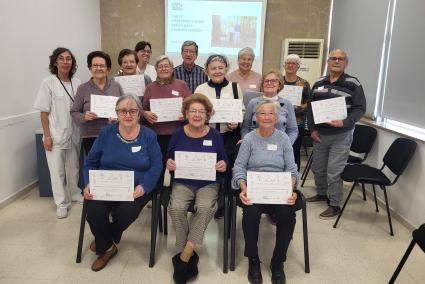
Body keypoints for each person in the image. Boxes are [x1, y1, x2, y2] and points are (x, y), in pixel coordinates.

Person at [82, 94, 162, 271]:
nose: (127, 115)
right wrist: (88, 183)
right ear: (116, 113)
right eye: (123, 111)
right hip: (106, 183)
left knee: (127, 211)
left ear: (139, 113)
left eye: (132, 110)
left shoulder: (149, 135)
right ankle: (108, 246)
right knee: (93, 210)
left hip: (137, 186)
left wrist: (143, 187)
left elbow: (157, 166)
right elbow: (90, 162)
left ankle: (104, 240)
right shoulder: (105, 133)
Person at [232, 100, 298, 284]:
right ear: (256, 117)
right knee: (251, 213)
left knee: (287, 214)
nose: (267, 117)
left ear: (276, 118)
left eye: (271, 114)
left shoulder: (283, 139)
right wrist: (244, 189)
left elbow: (292, 169)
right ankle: (253, 259)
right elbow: (238, 167)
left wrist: (290, 190)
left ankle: (278, 262)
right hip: (254, 188)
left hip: (280, 188)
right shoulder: (249, 139)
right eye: (262, 113)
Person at [165, 94, 228, 283]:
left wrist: (223, 164)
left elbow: (224, 158)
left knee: (206, 207)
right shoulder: (177, 134)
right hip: (183, 181)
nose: (197, 115)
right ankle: (187, 248)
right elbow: (168, 157)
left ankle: (186, 251)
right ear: (186, 113)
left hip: (208, 182)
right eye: (193, 111)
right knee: (175, 207)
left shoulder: (215, 135)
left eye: (202, 111)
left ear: (207, 115)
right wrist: (169, 163)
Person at [306, 49, 366, 219]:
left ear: (346, 62)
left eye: (341, 59)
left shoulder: (353, 83)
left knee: (334, 170)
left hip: (341, 135)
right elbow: (310, 108)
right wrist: (312, 129)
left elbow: (360, 108)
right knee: (318, 168)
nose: (337, 61)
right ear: (328, 62)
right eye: (333, 58)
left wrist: (345, 122)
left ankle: (334, 204)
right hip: (320, 135)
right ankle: (322, 193)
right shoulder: (318, 83)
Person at [33, 47, 83, 219]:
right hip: (55, 134)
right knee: (57, 170)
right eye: (61, 58)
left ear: (72, 62)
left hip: (75, 133)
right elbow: (43, 112)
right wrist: (47, 136)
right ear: (55, 62)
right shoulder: (48, 82)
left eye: (68, 58)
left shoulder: (77, 82)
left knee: (73, 166)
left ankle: (75, 192)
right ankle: (61, 203)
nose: (65, 62)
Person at [194, 54, 243, 219]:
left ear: (226, 69)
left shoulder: (235, 88)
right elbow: (195, 111)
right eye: (213, 68)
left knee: (226, 170)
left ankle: (224, 202)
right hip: (206, 135)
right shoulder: (200, 89)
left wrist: (236, 120)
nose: (217, 71)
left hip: (228, 135)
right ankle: (204, 202)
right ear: (207, 70)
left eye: (220, 68)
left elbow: (240, 109)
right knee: (208, 169)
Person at [142, 55, 191, 192]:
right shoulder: (150, 87)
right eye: (160, 66)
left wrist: (186, 115)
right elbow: (143, 109)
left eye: (167, 66)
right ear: (156, 69)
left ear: (172, 68)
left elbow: (190, 106)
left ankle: (176, 194)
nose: (164, 68)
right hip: (156, 134)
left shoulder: (181, 85)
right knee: (157, 165)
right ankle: (155, 195)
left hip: (179, 133)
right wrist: (145, 113)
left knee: (177, 165)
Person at [70, 51, 124, 154]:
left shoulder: (116, 86)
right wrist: (84, 116)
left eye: (102, 65)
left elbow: (124, 108)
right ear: (90, 68)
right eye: (95, 65)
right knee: (94, 168)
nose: (98, 68)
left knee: (114, 166)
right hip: (91, 136)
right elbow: (74, 112)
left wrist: (117, 118)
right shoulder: (83, 88)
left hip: (115, 134)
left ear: (107, 69)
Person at [241, 70, 298, 145]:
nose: (269, 83)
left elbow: (293, 130)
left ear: (279, 85)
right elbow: (245, 127)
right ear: (262, 85)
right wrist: (246, 142)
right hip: (255, 144)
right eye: (266, 81)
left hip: (279, 146)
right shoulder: (253, 102)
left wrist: (287, 145)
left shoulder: (287, 104)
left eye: (273, 81)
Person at [281, 54, 311, 171]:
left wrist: (295, 107)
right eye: (288, 63)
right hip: (278, 124)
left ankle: (293, 182)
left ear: (298, 66)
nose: (290, 65)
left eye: (294, 63)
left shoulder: (304, 83)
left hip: (297, 124)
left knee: (294, 152)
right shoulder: (278, 81)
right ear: (284, 65)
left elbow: (309, 104)